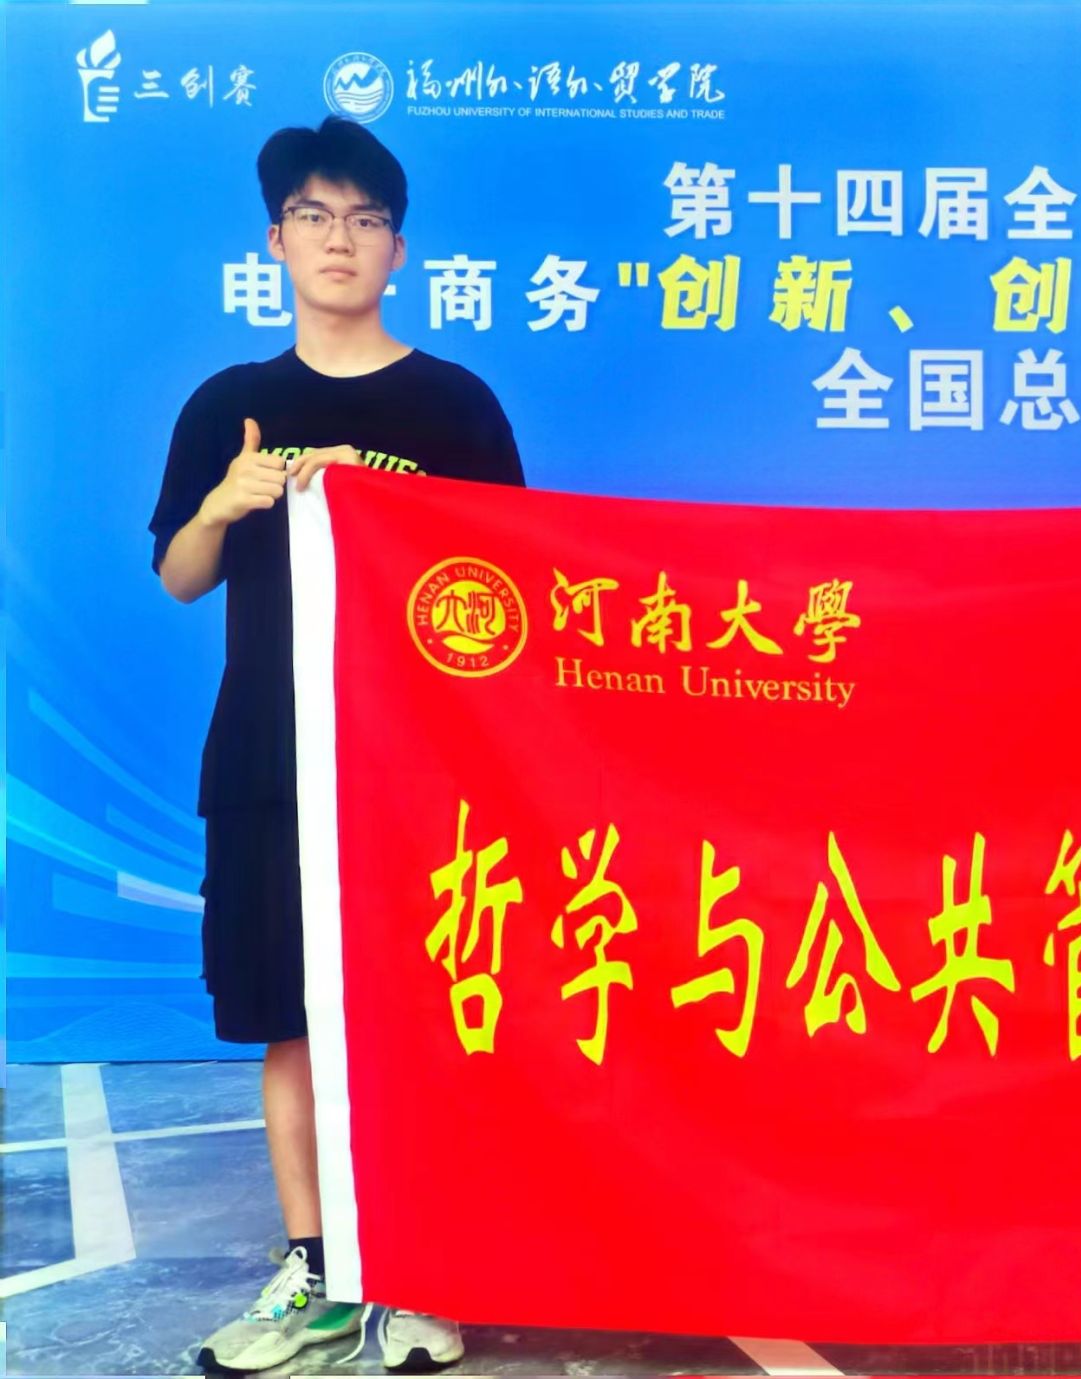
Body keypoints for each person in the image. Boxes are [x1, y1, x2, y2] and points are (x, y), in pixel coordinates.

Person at [148, 115, 527, 1374]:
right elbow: (180, 577)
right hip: (269, 761)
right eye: (314, 217)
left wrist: (400, 505)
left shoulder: (455, 405)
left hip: (419, 772)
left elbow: (516, 587)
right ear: (276, 240)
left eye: (365, 220)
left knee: (422, 1018)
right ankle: (314, 1274)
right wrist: (223, 502)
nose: (339, 240)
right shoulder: (230, 406)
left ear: (398, 250)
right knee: (290, 1022)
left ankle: (423, 1274)